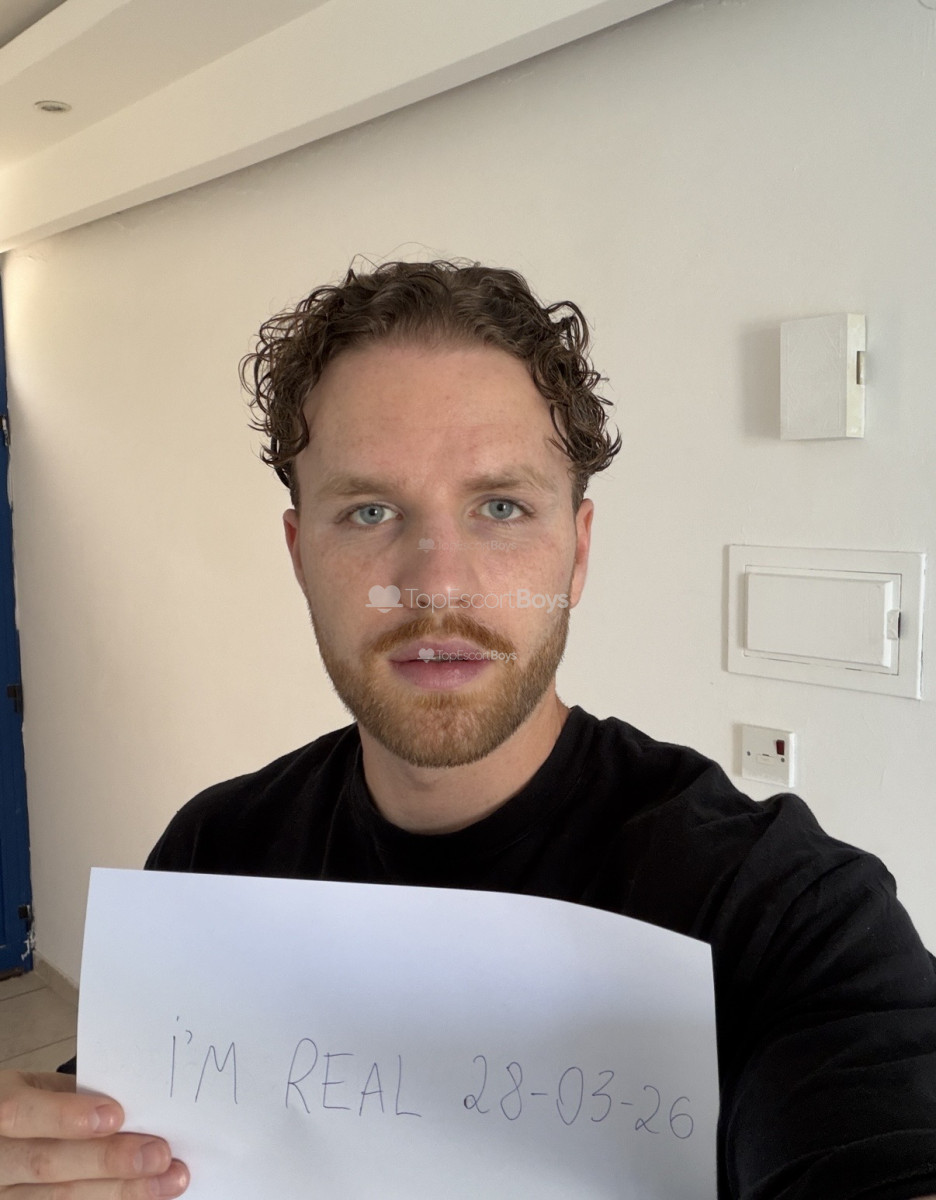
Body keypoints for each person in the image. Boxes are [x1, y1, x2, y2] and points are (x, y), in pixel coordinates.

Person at [2, 259, 935, 1199]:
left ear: (577, 553)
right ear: (300, 555)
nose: (436, 583)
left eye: (500, 507)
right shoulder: (214, 856)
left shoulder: (779, 910)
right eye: (369, 511)